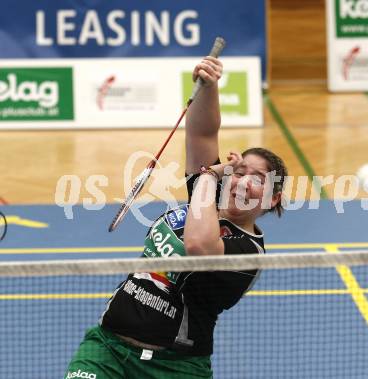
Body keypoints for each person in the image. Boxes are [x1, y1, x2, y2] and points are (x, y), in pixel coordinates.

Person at [65, 57, 287, 379]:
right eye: (240, 172)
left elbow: (198, 244)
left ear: (274, 197)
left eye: (258, 178)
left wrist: (211, 174)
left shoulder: (248, 252)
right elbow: (202, 133)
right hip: (107, 350)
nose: (242, 181)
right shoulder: (206, 195)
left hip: (175, 368)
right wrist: (208, 87)